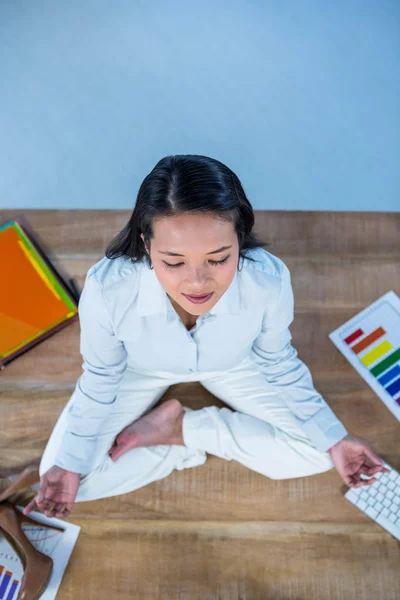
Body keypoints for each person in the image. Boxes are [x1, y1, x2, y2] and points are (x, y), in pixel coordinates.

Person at [23, 154, 389, 520]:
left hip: (235, 366)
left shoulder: (269, 280)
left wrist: (335, 438)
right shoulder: (108, 289)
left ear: (239, 241)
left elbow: (277, 361)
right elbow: (101, 376)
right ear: (146, 245)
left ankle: (182, 429)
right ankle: (179, 443)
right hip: (137, 372)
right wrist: (71, 463)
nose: (197, 283)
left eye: (217, 259)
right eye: (173, 262)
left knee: (322, 451)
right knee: (67, 477)